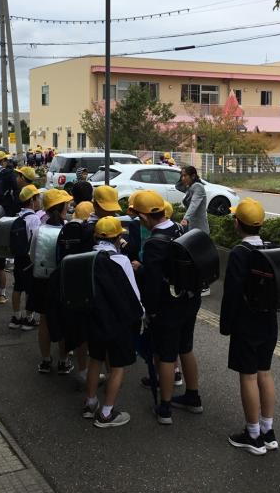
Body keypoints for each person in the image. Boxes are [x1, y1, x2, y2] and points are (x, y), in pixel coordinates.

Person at [132, 190, 203, 425]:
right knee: (186, 348)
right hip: (189, 300)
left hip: (167, 306)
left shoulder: (154, 243)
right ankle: (193, 397)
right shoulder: (180, 230)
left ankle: (164, 408)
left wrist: (149, 310)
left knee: (166, 355)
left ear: (144, 217)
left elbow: (153, 282)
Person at [220, 197, 279, 455]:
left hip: (247, 323)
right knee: (265, 373)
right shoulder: (270, 248)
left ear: (237, 223)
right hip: (269, 322)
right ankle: (268, 431)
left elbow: (232, 293)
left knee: (249, 376)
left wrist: (226, 324)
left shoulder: (239, 253)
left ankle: (253, 435)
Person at [81, 216, 144, 428]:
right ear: (118, 238)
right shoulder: (121, 260)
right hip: (117, 321)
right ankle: (106, 414)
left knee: (95, 360)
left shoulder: (86, 258)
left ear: (95, 237)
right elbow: (133, 294)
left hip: (94, 319)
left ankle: (90, 403)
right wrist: (141, 315)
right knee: (117, 366)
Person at [28, 188, 73, 374]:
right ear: (62, 207)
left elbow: (32, 256)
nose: (69, 206)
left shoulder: (39, 230)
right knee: (64, 321)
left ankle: (46, 361)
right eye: (67, 204)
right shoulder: (68, 229)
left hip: (42, 281)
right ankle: (64, 361)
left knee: (44, 320)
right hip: (63, 282)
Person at [9, 185, 42, 331]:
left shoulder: (18, 216)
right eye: (37, 197)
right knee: (30, 289)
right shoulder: (34, 219)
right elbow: (36, 239)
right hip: (29, 259)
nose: (39, 200)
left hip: (18, 257)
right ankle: (29, 319)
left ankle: (16, 317)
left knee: (18, 287)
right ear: (32, 200)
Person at [179, 165, 211, 296]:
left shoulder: (198, 187)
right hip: (193, 229)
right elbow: (178, 186)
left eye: (185, 175)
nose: (182, 178)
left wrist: (185, 218)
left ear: (193, 176)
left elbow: (194, 204)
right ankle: (197, 284)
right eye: (181, 175)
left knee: (200, 259)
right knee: (194, 258)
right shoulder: (191, 187)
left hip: (200, 229)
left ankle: (205, 286)